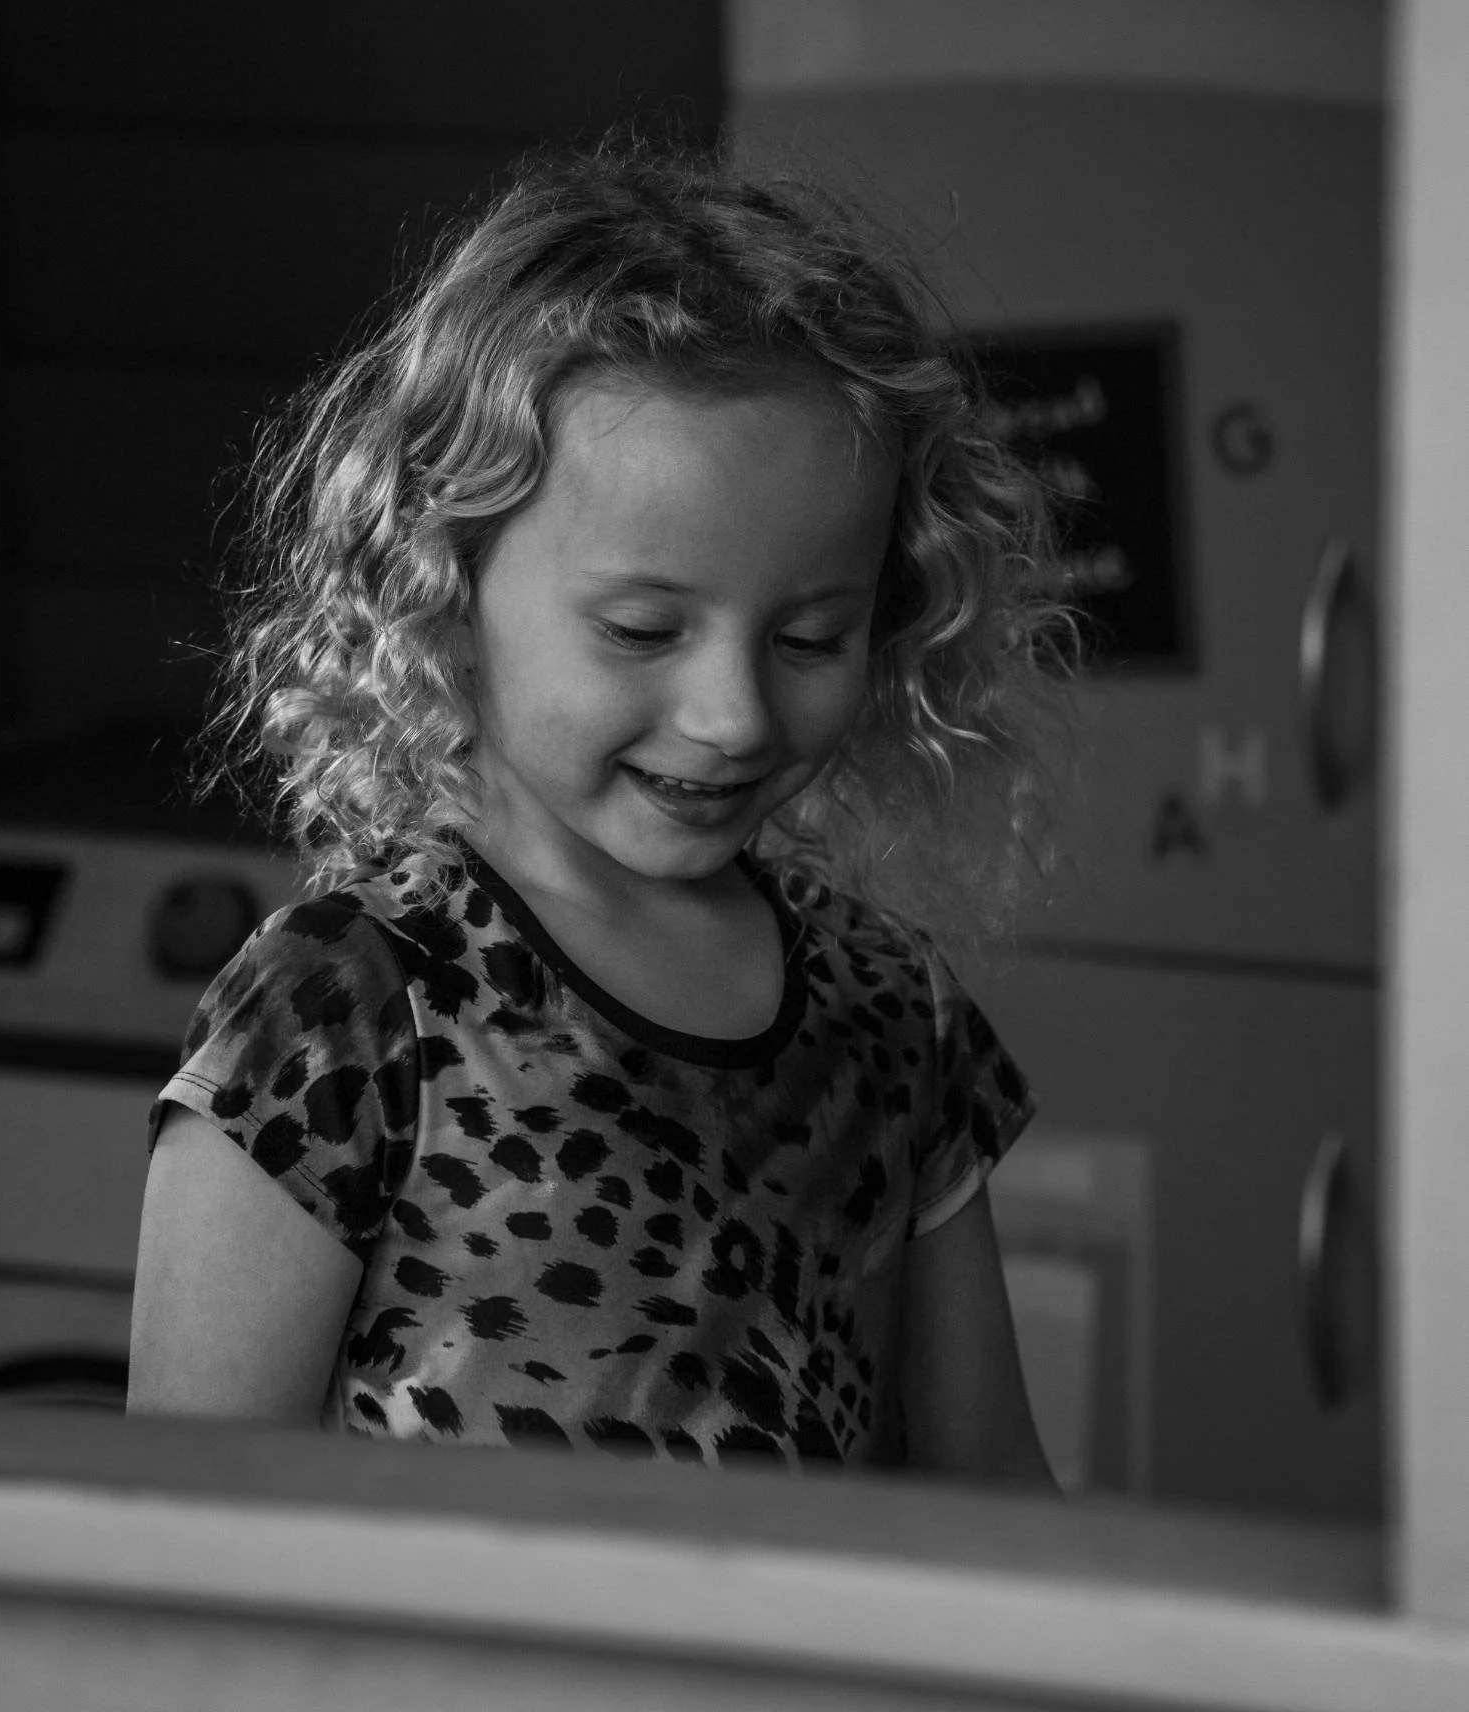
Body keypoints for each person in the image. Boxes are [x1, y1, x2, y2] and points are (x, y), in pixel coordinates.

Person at [128, 141, 1073, 1487]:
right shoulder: (344, 1010)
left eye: (812, 638)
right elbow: (192, 1542)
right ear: (442, 583)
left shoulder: (893, 1018)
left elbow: (995, 1503)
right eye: (643, 630)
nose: (733, 715)